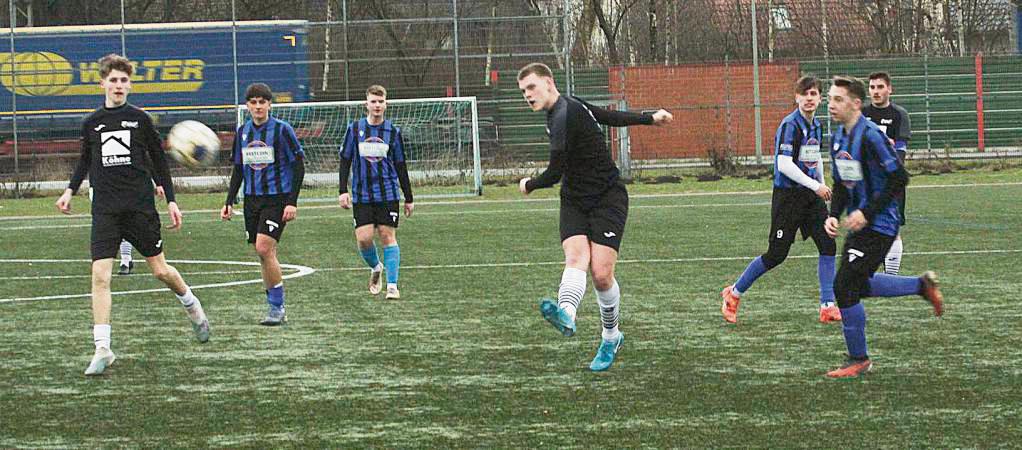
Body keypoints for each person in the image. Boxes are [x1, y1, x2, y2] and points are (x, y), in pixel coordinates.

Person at [55, 53, 209, 376]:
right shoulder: (92, 123)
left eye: (124, 80)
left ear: (130, 85)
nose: (119, 85)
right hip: (105, 210)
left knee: (161, 271)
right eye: (113, 80)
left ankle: (192, 305)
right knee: (100, 276)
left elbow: (159, 161)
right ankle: (102, 347)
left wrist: (172, 200)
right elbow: (85, 161)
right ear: (103, 83)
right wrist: (70, 190)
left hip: (139, 208)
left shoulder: (140, 120)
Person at [515, 63, 673, 372]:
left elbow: (554, 171)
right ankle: (567, 315)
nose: (527, 95)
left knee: (601, 274)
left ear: (548, 83)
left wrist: (529, 184)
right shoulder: (565, 107)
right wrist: (649, 118)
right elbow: (606, 116)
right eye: (523, 91)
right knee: (575, 258)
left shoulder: (566, 113)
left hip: (607, 197)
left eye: (531, 88)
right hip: (574, 199)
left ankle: (611, 337)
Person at [823, 75, 943, 378]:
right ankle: (921, 286)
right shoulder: (838, 137)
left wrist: (867, 211)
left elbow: (899, 178)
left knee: (844, 286)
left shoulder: (872, 135)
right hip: (861, 224)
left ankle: (858, 359)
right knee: (857, 284)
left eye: (838, 99)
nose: (831, 104)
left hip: (881, 224)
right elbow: (841, 183)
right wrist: (834, 213)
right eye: (830, 99)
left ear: (856, 103)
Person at [721, 75, 840, 324]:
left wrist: (821, 182)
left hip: (811, 197)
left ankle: (827, 305)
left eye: (814, 94)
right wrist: (816, 185)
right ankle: (733, 293)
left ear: (820, 98)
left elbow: (814, 156)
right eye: (804, 94)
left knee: (828, 243)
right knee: (776, 255)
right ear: (796, 97)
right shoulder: (790, 125)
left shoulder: (816, 125)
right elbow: (784, 164)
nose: (809, 98)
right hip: (788, 198)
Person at [221, 83, 306, 326]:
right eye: (253, 102)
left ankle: (278, 308)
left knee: (263, 248)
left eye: (262, 102)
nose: (258, 106)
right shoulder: (243, 132)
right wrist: (229, 201)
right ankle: (275, 307)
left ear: (270, 104)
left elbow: (298, 166)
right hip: (252, 200)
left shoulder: (281, 130)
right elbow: (238, 169)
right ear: (247, 106)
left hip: (277, 199)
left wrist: (292, 202)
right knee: (264, 254)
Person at [338, 85, 414, 300]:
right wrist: (342, 190)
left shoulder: (393, 132)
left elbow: (400, 165)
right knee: (363, 239)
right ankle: (375, 266)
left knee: (387, 236)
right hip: (362, 194)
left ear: (386, 104)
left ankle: (392, 285)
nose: (377, 105)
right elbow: (345, 161)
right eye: (373, 101)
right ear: (366, 105)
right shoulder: (354, 129)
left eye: (381, 102)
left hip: (388, 193)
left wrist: (408, 197)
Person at [862, 72, 911, 275]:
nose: (876, 91)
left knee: (893, 229)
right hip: (865, 184)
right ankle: (867, 273)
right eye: (872, 87)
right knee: (864, 227)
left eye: (880, 87)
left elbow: (900, 153)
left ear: (889, 89)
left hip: (890, 183)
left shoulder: (899, 115)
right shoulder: (861, 114)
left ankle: (891, 276)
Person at [115, 184, 164, 275]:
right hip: (101, 188)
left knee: (124, 222)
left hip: (124, 189)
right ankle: (126, 260)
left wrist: (158, 183)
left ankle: (125, 260)